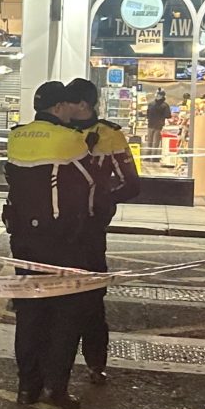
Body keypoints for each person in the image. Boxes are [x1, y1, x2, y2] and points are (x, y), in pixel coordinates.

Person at [4, 81, 86, 409]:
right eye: (67, 105)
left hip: (22, 237)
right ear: (58, 108)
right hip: (61, 239)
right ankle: (57, 387)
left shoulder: (17, 135)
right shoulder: (70, 139)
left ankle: (27, 387)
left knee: (29, 313)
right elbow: (89, 183)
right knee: (64, 315)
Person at [65, 77, 140, 384]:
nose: (64, 108)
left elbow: (131, 183)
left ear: (82, 104)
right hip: (60, 228)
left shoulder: (108, 135)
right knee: (62, 300)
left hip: (90, 230)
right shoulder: (60, 131)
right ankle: (61, 365)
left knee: (92, 300)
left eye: (69, 102)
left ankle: (96, 363)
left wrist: (101, 203)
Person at [145, 90, 172, 154]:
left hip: (150, 124)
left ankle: (148, 156)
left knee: (149, 142)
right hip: (159, 126)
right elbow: (168, 115)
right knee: (155, 142)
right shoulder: (165, 105)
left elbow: (147, 114)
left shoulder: (151, 104)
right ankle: (154, 157)